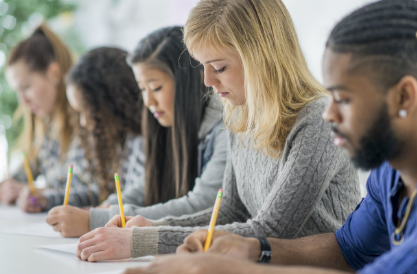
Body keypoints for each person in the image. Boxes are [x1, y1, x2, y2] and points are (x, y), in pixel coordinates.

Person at [124, 0, 417, 273]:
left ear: (405, 96)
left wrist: (239, 265)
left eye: (342, 97)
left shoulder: (314, 120)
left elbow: (278, 229)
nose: (330, 113)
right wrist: (253, 249)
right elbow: (349, 248)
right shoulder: (388, 177)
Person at [76, 0, 360, 262]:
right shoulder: (239, 112)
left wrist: (143, 241)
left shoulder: (317, 120)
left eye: (219, 67)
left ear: (261, 58)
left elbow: (273, 231)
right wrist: (155, 226)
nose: (208, 80)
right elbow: (230, 211)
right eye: (203, 66)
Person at [49, 26, 227, 238]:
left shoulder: (223, 130)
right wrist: (110, 206)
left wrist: (95, 220)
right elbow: (148, 183)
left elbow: (202, 205)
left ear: (193, 80)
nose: (148, 102)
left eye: (156, 88)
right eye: (143, 89)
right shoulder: (166, 124)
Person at [45, 47, 144, 237]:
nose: (83, 122)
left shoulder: (143, 140)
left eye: (88, 112)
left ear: (112, 100)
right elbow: (99, 191)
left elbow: (141, 196)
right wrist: (47, 200)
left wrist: (94, 216)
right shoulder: (117, 140)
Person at [0, 23, 93, 212]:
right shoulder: (45, 125)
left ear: (54, 73)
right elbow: (24, 173)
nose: (23, 101)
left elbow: (94, 192)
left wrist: (39, 194)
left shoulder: (87, 121)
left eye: (26, 87)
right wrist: (9, 186)